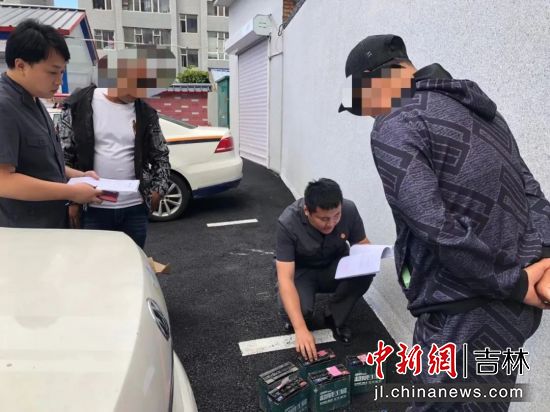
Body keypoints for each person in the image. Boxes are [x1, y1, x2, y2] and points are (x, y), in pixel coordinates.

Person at [339, 34, 550, 410]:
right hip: (516, 311)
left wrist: (516, 282)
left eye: (364, 103)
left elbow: (434, 226)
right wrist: (543, 260)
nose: (369, 114)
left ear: (375, 80)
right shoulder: (482, 110)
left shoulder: (395, 121)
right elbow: (530, 189)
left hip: (462, 312)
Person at [58, 49, 173, 248]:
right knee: (94, 262)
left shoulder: (145, 113)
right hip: (92, 208)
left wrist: (158, 190)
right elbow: (63, 156)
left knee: (132, 262)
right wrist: (72, 200)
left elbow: (160, 154)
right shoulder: (78, 105)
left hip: (134, 208)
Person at [0, 19, 103, 228]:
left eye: (62, 72)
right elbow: (4, 181)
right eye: (52, 72)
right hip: (23, 232)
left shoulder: (34, 100)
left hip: (49, 224)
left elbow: (41, 164)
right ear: (21, 65)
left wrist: (80, 176)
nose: (58, 80)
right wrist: (72, 192)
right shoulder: (4, 106)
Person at [276, 178, 372, 360]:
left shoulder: (349, 209)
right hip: (302, 273)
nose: (332, 223)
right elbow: (285, 278)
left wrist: (373, 256)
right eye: (324, 219)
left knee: (366, 269)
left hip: (334, 267)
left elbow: (362, 243)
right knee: (299, 314)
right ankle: (296, 317)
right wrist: (300, 329)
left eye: (337, 216)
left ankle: (334, 316)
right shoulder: (288, 223)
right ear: (307, 211)